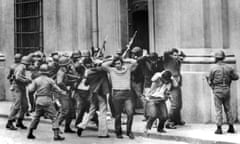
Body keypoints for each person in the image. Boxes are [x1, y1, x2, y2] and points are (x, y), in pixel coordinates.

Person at [27, 64, 67, 140]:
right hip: (47, 100)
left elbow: (31, 90)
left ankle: (30, 133)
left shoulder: (36, 80)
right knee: (54, 117)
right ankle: (56, 135)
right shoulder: (50, 80)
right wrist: (63, 92)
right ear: (48, 71)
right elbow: (57, 89)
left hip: (38, 100)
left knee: (36, 117)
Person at [101, 56, 137, 139]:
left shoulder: (127, 69)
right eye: (116, 64)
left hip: (127, 93)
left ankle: (129, 131)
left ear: (122, 63)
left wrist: (123, 59)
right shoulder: (112, 70)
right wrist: (113, 60)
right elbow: (103, 65)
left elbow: (134, 62)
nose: (117, 65)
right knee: (118, 115)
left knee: (130, 113)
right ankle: (118, 132)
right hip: (116, 94)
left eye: (119, 63)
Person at [206, 50, 239, 134]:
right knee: (228, 108)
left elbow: (210, 80)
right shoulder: (229, 67)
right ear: (223, 58)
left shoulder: (213, 68)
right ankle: (231, 127)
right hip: (227, 90)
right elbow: (236, 77)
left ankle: (219, 128)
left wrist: (211, 85)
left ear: (216, 58)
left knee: (218, 110)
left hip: (217, 91)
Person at [76, 57, 110, 138]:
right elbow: (106, 64)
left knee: (91, 111)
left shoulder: (89, 72)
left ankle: (82, 125)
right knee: (102, 112)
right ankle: (103, 133)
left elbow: (86, 83)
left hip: (92, 93)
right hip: (101, 93)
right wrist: (102, 62)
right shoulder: (102, 71)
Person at [6, 56, 32, 130]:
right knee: (17, 105)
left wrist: (26, 79)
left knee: (25, 105)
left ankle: (19, 121)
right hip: (17, 88)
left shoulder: (21, 66)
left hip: (21, 88)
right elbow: (17, 77)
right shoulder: (21, 67)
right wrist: (26, 80)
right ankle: (10, 122)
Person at [163, 48, 185, 129]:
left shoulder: (177, 61)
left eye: (177, 55)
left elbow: (183, 55)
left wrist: (179, 53)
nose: (176, 57)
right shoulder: (167, 60)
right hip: (171, 84)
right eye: (174, 55)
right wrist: (172, 54)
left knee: (179, 104)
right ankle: (169, 122)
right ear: (171, 55)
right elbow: (165, 53)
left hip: (177, 83)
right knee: (174, 104)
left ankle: (177, 120)